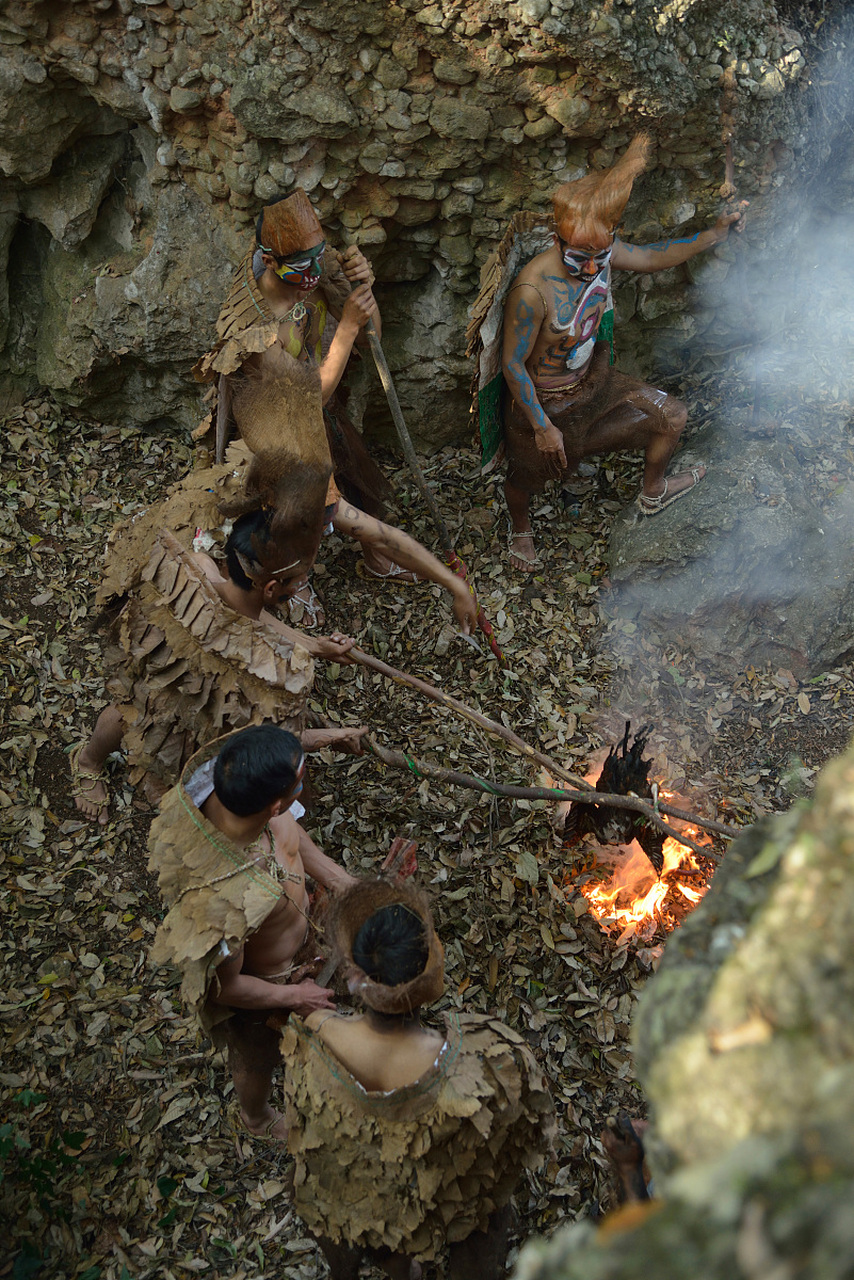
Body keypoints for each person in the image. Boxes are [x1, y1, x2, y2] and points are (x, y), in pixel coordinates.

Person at [279, 878, 555, 1279]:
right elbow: (517, 1137)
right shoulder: (476, 1058)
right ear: (428, 975)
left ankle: (396, 1269)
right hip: (437, 1196)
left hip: (359, 1188)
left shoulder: (317, 1032)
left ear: (356, 974)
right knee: (490, 1216)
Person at [500, 133, 745, 571]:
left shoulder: (601, 253)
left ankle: (653, 491)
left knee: (672, 416)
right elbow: (512, 364)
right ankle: (521, 527)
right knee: (526, 475)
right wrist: (541, 426)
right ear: (556, 239)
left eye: (602, 254)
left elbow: (653, 256)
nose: (594, 268)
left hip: (595, 383)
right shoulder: (532, 290)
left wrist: (714, 235)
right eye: (581, 257)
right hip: (540, 404)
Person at [194, 188, 421, 625]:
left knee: (356, 477)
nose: (317, 272)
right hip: (275, 437)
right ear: (270, 259)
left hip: (321, 418)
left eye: (319, 259)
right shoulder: (255, 325)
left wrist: (363, 292)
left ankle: (375, 552)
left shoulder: (314, 269)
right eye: (304, 266)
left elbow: (374, 333)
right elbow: (305, 397)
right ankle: (292, 580)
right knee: (292, 517)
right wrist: (349, 326)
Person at [147, 724, 356, 1140]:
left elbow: (292, 840)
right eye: (300, 779)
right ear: (277, 805)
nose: (305, 777)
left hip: (295, 936)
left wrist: (339, 880)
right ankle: (256, 1117)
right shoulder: (228, 900)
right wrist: (296, 995)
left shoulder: (229, 779)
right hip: (265, 984)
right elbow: (225, 989)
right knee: (258, 1057)